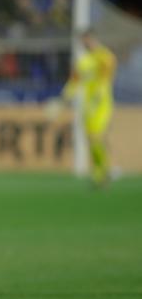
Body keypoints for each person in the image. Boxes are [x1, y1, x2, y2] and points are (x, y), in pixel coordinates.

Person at [52, 30, 116, 186]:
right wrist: (64, 98)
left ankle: (103, 171)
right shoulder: (83, 61)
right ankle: (100, 170)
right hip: (87, 105)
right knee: (91, 139)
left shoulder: (105, 57)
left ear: (94, 39)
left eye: (87, 40)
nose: (85, 43)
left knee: (96, 137)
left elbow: (106, 77)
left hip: (101, 104)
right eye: (83, 41)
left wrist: (99, 94)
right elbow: (74, 81)